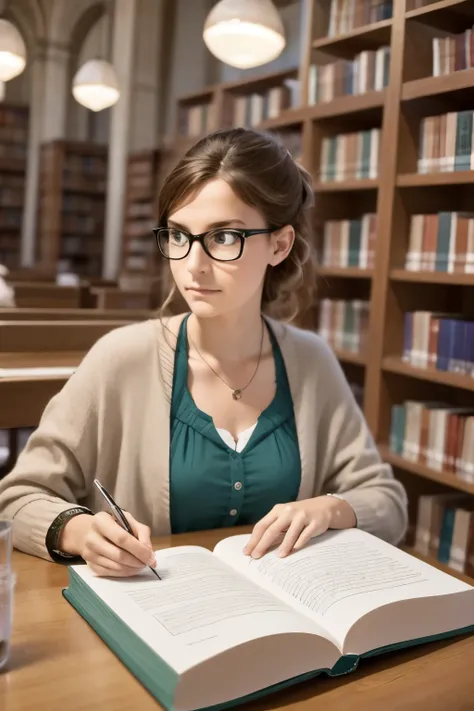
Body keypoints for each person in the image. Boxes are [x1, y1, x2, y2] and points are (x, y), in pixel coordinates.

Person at [0, 128, 407, 577]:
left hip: (280, 624)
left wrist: (329, 509)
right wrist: (77, 531)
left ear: (279, 244)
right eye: (178, 236)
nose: (193, 264)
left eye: (224, 237)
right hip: (155, 622)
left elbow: (386, 500)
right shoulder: (119, 359)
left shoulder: (311, 361)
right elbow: (17, 497)